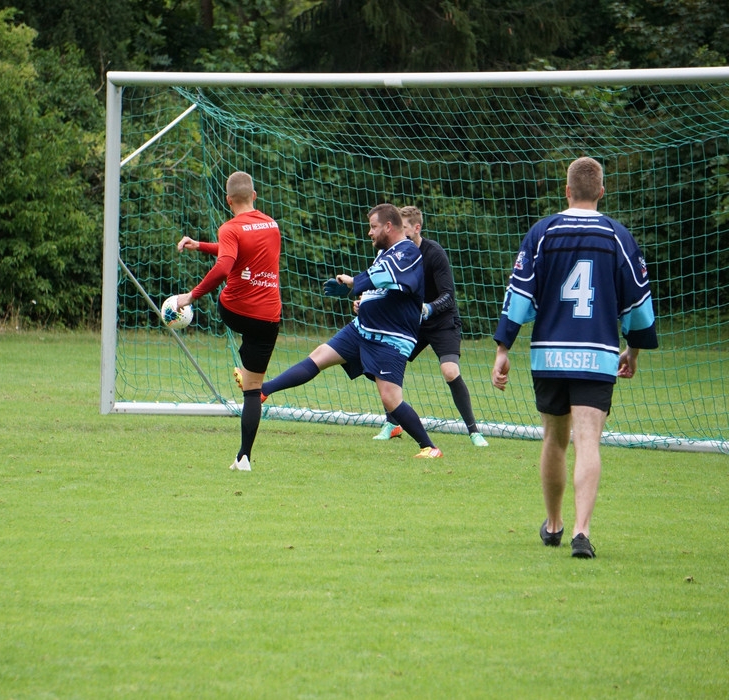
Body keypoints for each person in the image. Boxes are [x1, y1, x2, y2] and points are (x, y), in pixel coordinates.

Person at [491, 156, 658, 559]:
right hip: (597, 355)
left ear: (566, 190)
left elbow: (520, 295)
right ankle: (582, 532)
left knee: (554, 438)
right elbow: (638, 304)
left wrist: (503, 348)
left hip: (549, 355)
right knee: (588, 441)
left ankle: (553, 525)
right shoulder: (618, 237)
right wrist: (632, 351)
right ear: (602, 191)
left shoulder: (543, 232)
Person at [258, 203, 444, 459]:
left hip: (389, 339)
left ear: (388, 227)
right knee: (320, 355)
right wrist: (362, 299)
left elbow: (385, 276)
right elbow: (383, 288)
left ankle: (430, 447)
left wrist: (355, 283)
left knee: (390, 399)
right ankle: (262, 391)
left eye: (374, 227)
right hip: (363, 330)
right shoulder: (387, 252)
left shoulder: (408, 251)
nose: (370, 232)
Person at [174, 171, 282, 472]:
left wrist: (191, 296)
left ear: (228, 200)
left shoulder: (231, 228)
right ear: (255, 196)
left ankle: (242, 458)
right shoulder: (271, 225)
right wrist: (203, 245)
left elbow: (225, 265)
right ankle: (244, 456)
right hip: (269, 317)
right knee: (253, 391)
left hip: (234, 311)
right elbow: (237, 249)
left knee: (226, 296)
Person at [372, 206, 488, 446]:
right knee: (387, 365)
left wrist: (428, 308)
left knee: (450, 371)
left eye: (404, 228)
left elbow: (448, 295)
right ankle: (392, 424)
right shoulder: (395, 253)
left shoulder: (434, 253)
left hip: (442, 321)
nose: (400, 234)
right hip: (411, 323)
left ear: (416, 228)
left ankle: (474, 431)